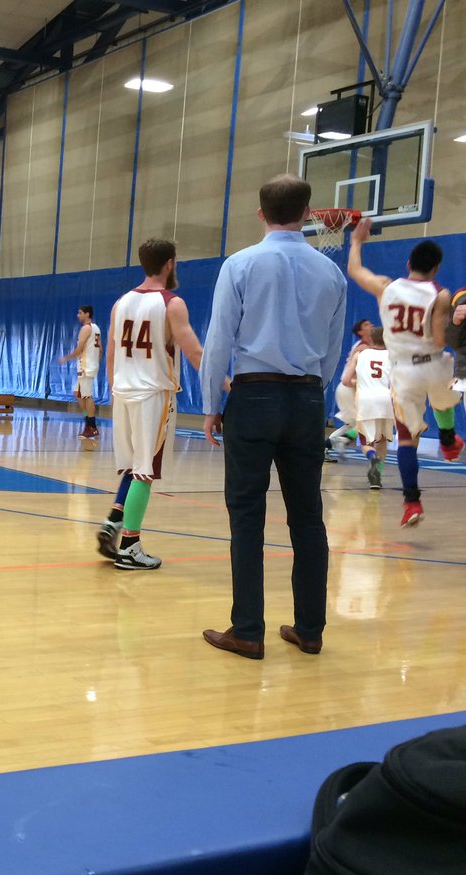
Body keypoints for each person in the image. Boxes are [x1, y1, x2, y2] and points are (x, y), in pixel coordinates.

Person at [199, 174, 346, 660]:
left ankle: (248, 630)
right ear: (308, 213)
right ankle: (310, 629)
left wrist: (211, 408)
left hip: (254, 396)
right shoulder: (331, 273)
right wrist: (310, 395)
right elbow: (331, 350)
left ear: (260, 213)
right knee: (308, 517)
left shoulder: (240, 264)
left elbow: (219, 341)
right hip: (306, 399)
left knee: (247, 515)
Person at [96, 238, 203, 570]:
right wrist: (229, 384)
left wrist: (116, 389)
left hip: (123, 392)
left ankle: (115, 519)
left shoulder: (121, 302)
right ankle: (130, 546)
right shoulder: (172, 303)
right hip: (153, 394)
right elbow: (195, 353)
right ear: (170, 263)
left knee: (133, 466)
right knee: (145, 472)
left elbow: (111, 353)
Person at [347, 222, 463, 527]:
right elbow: (440, 340)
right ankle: (449, 441)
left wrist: (357, 241)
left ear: (408, 264)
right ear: (436, 269)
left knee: (407, 440)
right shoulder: (440, 294)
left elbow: (357, 272)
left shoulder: (387, 286)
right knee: (444, 397)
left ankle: (412, 502)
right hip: (434, 364)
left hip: (404, 371)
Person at [340, 326, 393, 490]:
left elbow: (346, 381)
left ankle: (372, 457)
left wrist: (360, 382)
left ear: (371, 339)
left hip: (366, 401)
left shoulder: (360, 355)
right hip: (386, 400)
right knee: (382, 440)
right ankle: (377, 478)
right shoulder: (393, 356)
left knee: (366, 442)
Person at [325, 318, 374, 463]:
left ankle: (328, 445)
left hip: (351, 388)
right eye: (366, 324)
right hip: (348, 388)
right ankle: (334, 443)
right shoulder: (363, 348)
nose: (371, 324)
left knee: (354, 425)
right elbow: (351, 376)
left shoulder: (368, 346)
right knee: (362, 424)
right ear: (360, 332)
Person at [59, 306, 102, 437]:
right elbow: (100, 350)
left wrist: (66, 358)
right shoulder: (96, 328)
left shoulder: (86, 328)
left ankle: (92, 426)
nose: (78, 315)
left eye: (80, 313)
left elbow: (79, 350)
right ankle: (88, 421)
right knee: (78, 393)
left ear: (87, 314)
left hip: (85, 366)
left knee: (87, 396)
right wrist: (96, 362)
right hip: (90, 365)